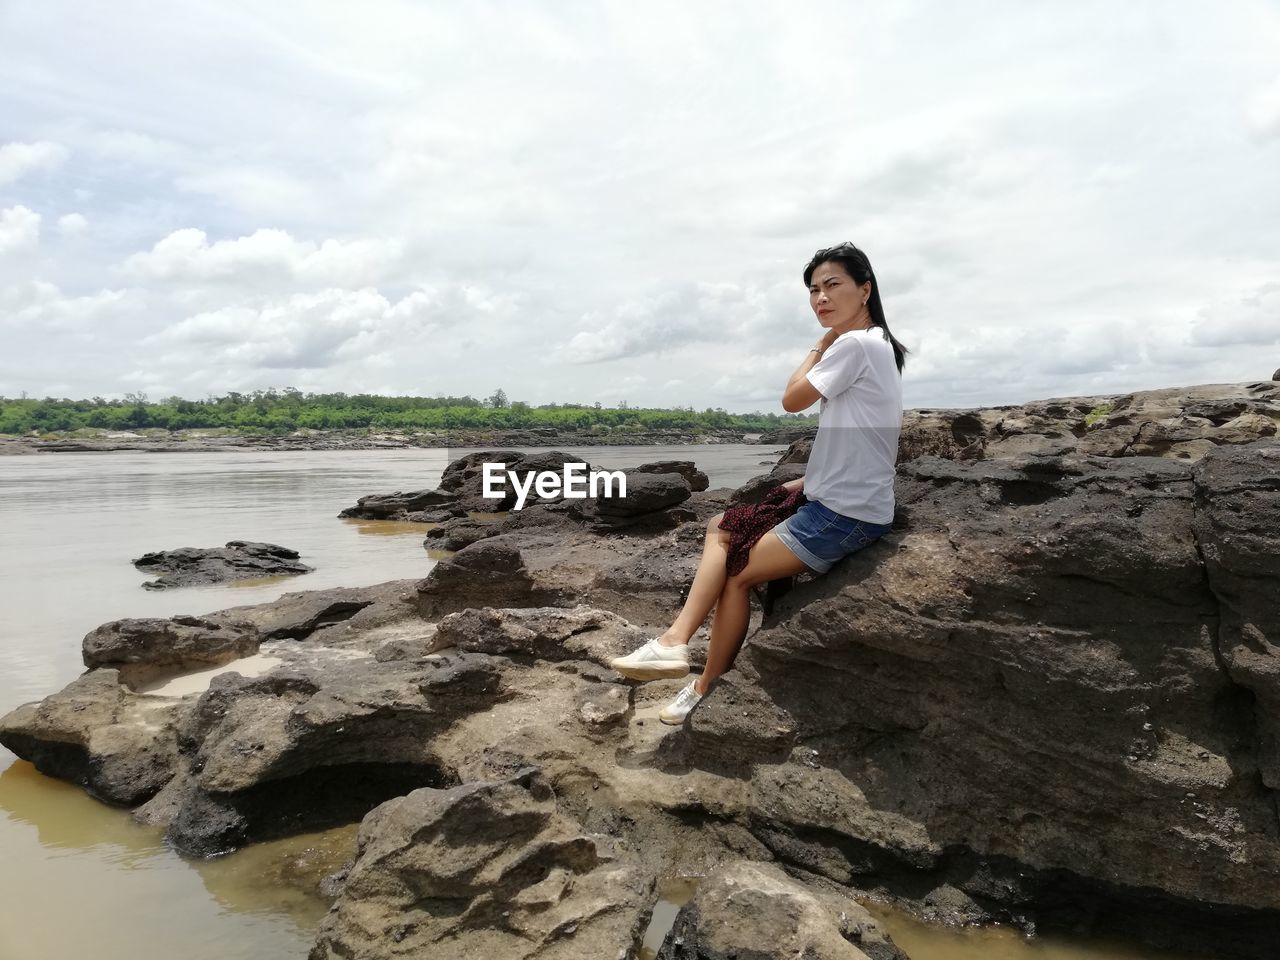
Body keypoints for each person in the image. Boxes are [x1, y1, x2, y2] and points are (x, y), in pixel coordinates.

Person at [610, 242, 908, 724]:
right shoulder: (879, 347)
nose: (820, 299)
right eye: (813, 290)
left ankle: (696, 673)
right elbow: (865, 436)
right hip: (834, 496)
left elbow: (791, 400)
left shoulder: (854, 345)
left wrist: (818, 345)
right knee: (723, 525)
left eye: (832, 285)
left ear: (865, 288)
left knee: (737, 569)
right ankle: (676, 646)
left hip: (846, 514)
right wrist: (808, 480)